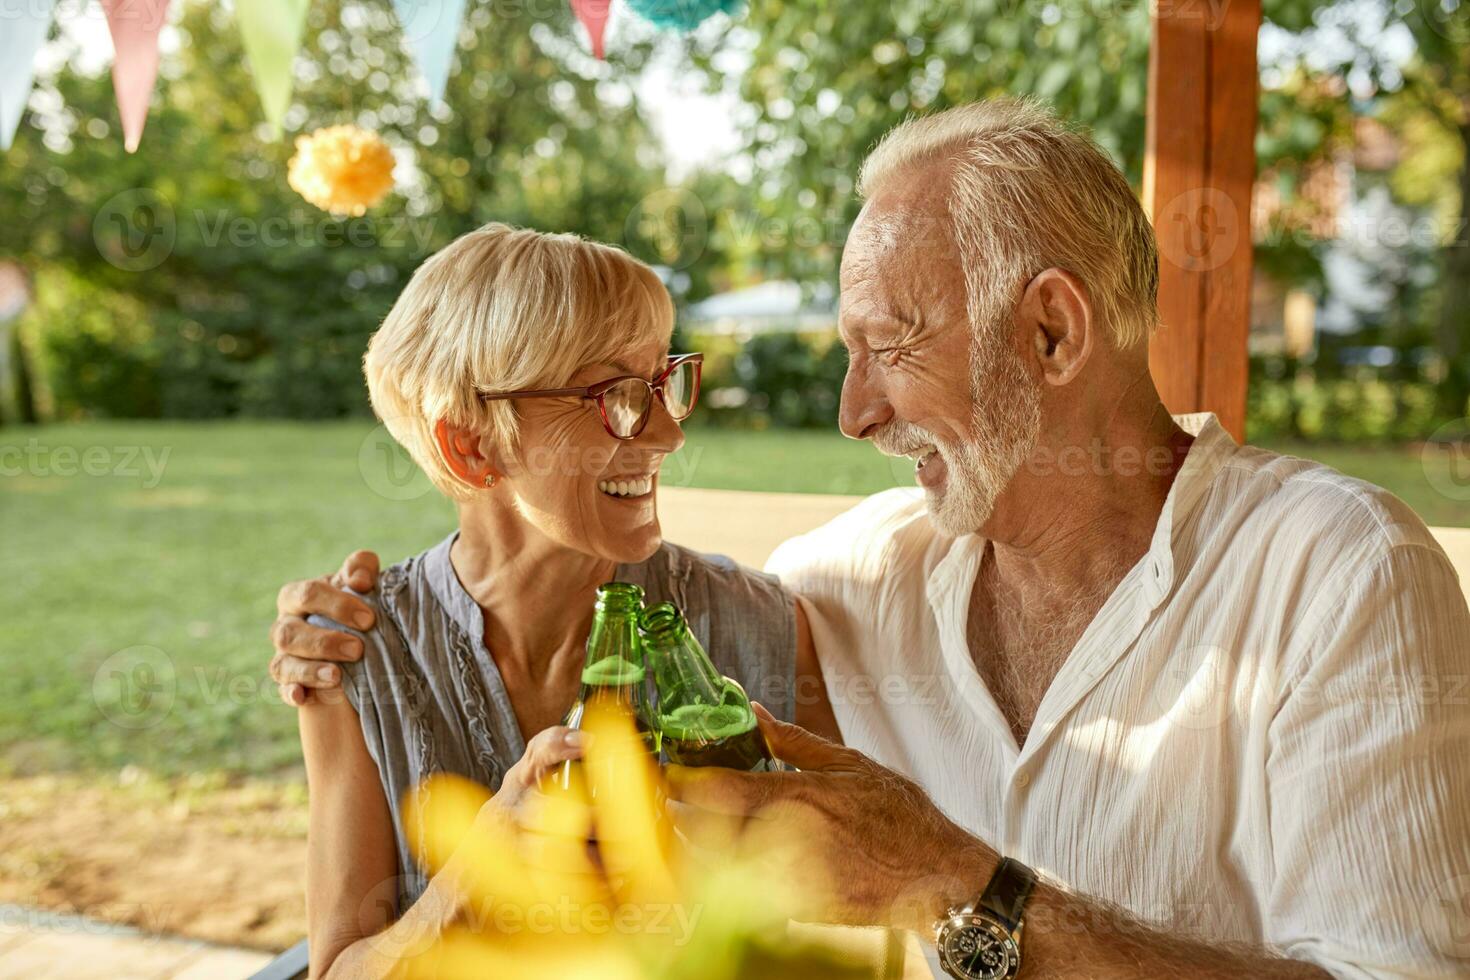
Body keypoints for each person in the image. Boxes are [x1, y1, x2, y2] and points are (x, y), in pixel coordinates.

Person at [272, 101, 1470, 979]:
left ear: (1052, 332)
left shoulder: (1339, 575)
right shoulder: (848, 587)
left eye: (889, 346)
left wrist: (962, 879)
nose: (853, 415)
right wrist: (332, 645)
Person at [284, 223, 838, 979]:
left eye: (664, 380)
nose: (670, 433)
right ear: (470, 447)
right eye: (616, 395)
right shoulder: (355, 656)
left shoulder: (760, 627)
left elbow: (862, 922)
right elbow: (337, 970)